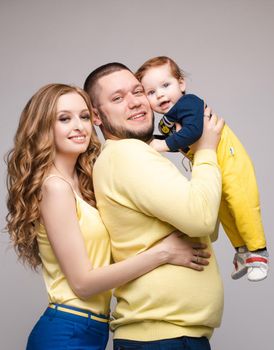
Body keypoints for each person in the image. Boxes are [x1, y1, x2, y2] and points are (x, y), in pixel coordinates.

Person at [5, 83, 212, 350]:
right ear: (44, 127)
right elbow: (82, 283)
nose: (79, 126)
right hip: (66, 331)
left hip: (94, 329)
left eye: (84, 116)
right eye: (64, 119)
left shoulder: (85, 182)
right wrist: (163, 253)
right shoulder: (54, 188)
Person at [84, 64, 225, 349]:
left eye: (137, 91)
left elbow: (204, 230)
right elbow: (202, 219)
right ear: (97, 116)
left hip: (168, 335)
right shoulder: (128, 154)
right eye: (118, 98)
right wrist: (206, 150)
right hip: (162, 337)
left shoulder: (128, 155)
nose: (135, 101)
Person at [136, 56, 269, 282]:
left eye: (165, 85)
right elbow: (179, 137)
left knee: (241, 203)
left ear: (181, 84)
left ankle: (258, 252)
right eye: (150, 92)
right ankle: (242, 252)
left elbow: (195, 132)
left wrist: (161, 144)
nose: (159, 94)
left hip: (230, 160)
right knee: (224, 210)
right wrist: (152, 141)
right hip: (213, 165)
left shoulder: (189, 104)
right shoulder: (169, 119)